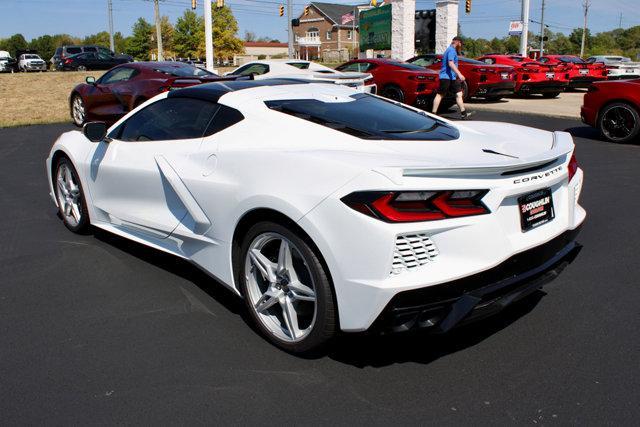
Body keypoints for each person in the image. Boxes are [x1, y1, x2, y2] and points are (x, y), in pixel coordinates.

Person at [432, 36, 473, 119]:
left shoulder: (451, 50)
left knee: (459, 94)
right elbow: (451, 63)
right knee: (440, 94)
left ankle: (463, 113)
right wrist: (460, 74)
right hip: (446, 77)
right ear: (457, 42)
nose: (461, 46)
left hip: (452, 77)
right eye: (461, 44)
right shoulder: (451, 50)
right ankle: (433, 114)